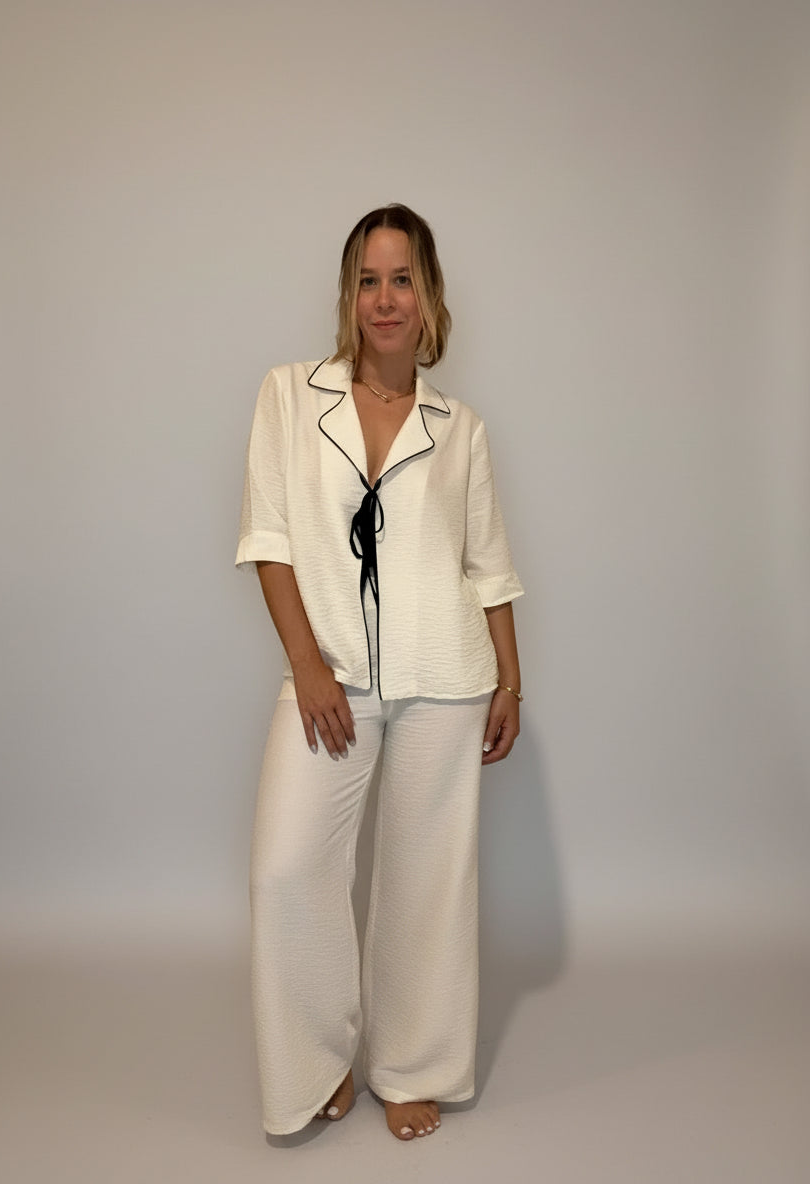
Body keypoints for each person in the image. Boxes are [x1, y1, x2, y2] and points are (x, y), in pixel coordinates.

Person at [235, 203, 523, 1141]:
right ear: (348, 294)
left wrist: (510, 680)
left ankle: (412, 1064)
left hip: (448, 674)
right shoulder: (289, 395)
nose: (385, 298)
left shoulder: (459, 427)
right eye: (369, 279)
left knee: (426, 877)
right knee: (288, 870)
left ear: (429, 295)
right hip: (335, 677)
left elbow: (487, 565)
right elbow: (271, 541)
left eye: (403, 279)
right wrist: (307, 666)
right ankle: (316, 1060)